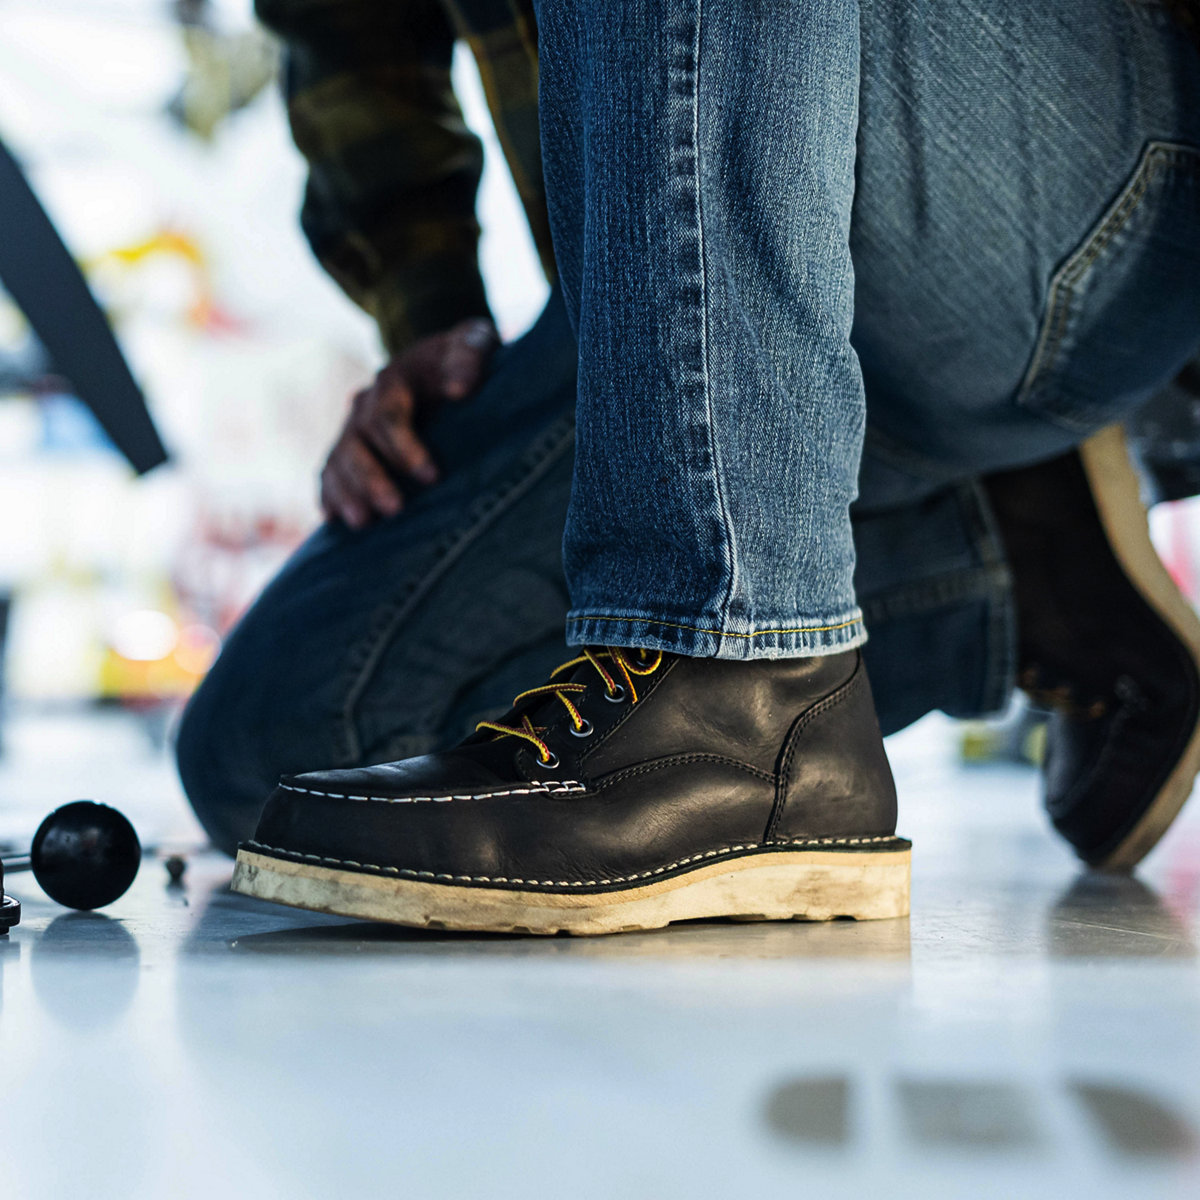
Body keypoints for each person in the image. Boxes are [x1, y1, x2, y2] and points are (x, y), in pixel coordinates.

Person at [180, 0, 1200, 933]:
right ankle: (1000, 566)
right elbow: (349, 31)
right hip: (703, 320)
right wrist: (429, 309)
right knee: (283, 748)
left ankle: (743, 661)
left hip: (1069, 182)